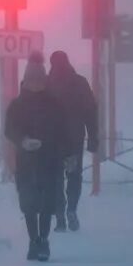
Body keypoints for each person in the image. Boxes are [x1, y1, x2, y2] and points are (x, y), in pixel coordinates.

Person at [5, 52, 67, 262]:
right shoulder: (17, 105)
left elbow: (62, 131)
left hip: (49, 161)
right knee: (29, 204)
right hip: (27, 162)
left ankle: (43, 240)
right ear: (26, 80)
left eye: (38, 80)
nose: (35, 85)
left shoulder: (53, 104)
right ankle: (34, 241)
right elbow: (9, 129)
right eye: (32, 81)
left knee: (46, 204)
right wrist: (23, 141)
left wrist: (64, 153)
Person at [47, 50, 99, 232]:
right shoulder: (80, 83)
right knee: (74, 176)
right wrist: (93, 137)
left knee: (55, 179)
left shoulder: (47, 84)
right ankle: (71, 209)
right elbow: (90, 111)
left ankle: (60, 216)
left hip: (52, 142)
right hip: (73, 140)